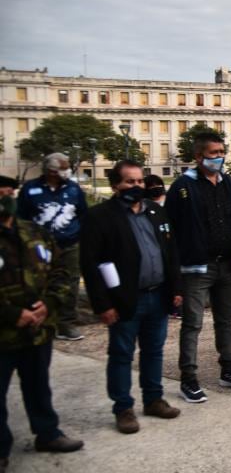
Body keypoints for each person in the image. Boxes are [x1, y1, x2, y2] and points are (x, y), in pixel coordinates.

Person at [80, 160, 183, 434]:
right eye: (129, 182)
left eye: (139, 182)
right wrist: (102, 304)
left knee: (154, 350)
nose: (136, 186)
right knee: (122, 354)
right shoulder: (100, 216)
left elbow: (171, 252)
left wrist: (176, 289)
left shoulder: (155, 211)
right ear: (115, 185)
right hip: (125, 298)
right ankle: (123, 408)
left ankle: (153, 399)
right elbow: (90, 264)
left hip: (158, 294)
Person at [0, 175, 84, 467]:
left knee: (38, 385)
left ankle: (47, 433)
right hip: (4, 331)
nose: (5, 198)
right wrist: (14, 314)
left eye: (8, 192)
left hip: (38, 328)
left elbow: (61, 271)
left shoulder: (34, 232)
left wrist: (47, 305)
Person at [164, 132, 231, 403]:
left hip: (226, 263)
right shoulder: (182, 187)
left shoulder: (228, 184)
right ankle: (188, 377)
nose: (219, 157)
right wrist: (177, 270)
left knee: (226, 320)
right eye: (213, 153)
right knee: (193, 324)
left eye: (222, 152)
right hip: (197, 267)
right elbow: (172, 230)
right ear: (199, 156)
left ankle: (229, 368)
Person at [16, 153, 88, 342]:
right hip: (39, 248)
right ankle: (41, 321)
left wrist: (79, 234)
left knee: (71, 282)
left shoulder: (73, 189)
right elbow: (21, 217)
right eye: (64, 167)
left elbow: (83, 214)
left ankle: (66, 323)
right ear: (51, 171)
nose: (68, 170)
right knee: (39, 283)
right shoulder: (31, 189)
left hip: (69, 244)